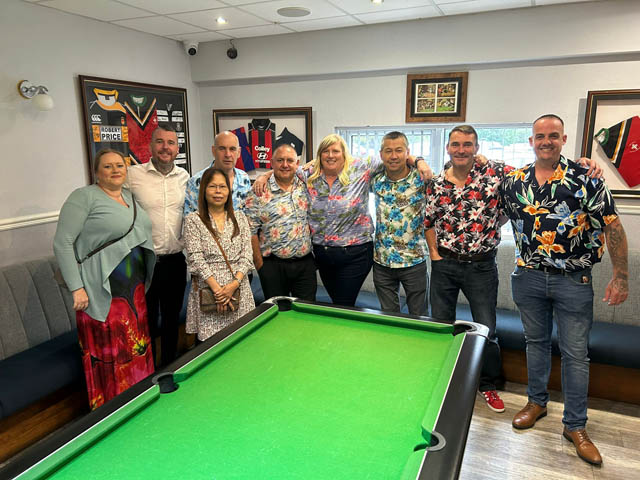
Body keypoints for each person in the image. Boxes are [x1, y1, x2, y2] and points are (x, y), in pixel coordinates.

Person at [501, 114, 628, 465]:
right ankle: (536, 403)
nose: (546, 141)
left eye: (553, 136)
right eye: (539, 136)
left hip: (574, 280)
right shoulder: (513, 182)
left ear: (563, 138)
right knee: (535, 344)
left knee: (575, 355)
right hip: (527, 277)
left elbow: (612, 226)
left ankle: (575, 425)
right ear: (531, 141)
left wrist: (621, 277)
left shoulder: (585, 178)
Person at [54, 149, 155, 409]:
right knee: (110, 349)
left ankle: (138, 399)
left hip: (133, 289)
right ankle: (111, 409)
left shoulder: (129, 196)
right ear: (96, 171)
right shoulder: (83, 197)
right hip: (101, 287)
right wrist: (77, 288)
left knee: (135, 344)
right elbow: (62, 243)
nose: (115, 170)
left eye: (119, 165)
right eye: (108, 166)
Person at [425, 125, 509, 413]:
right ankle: (443, 379)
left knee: (487, 328)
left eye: (468, 144)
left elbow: (532, 173)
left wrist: (585, 164)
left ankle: (487, 385)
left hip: (481, 267)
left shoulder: (495, 175)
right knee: (441, 325)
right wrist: (434, 254)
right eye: (456, 144)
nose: (461, 149)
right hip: (444, 265)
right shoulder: (436, 183)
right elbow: (428, 223)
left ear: (476, 147)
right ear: (448, 147)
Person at [127, 124, 189, 367]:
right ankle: (147, 372)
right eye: (160, 142)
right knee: (147, 319)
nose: (166, 147)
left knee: (172, 317)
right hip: (142, 260)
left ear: (177, 148)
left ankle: (170, 367)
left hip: (174, 260)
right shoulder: (132, 176)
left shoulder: (185, 178)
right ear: (150, 145)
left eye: (171, 143)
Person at [183, 167, 255, 341]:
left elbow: (247, 255)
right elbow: (196, 258)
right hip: (208, 292)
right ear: (204, 190)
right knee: (210, 347)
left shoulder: (240, 218)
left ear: (228, 191)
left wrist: (232, 286)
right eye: (212, 186)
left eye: (222, 187)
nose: (218, 191)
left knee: (243, 343)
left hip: (239, 291)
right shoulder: (193, 220)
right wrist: (219, 292)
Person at [245, 144, 316, 300]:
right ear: (272, 162)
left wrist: (265, 174)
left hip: (305, 264)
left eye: (290, 160)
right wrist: (260, 265)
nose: (285, 165)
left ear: (297, 164)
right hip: (272, 266)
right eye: (280, 160)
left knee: (307, 314)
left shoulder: (306, 183)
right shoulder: (258, 191)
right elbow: (250, 231)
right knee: (277, 313)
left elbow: (326, 160)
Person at [371, 131, 428, 315]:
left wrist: (419, 160)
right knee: (388, 316)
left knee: (419, 316)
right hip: (382, 261)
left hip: (414, 261)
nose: (393, 156)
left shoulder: (422, 179)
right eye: (388, 151)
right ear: (381, 155)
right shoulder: (375, 181)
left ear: (407, 152)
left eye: (399, 150)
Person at [184, 131, 252, 215]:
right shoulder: (196, 181)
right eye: (222, 149)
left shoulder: (244, 178)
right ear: (213, 151)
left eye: (232, 149)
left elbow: (249, 215)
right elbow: (190, 220)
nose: (227, 154)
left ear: (239, 152)